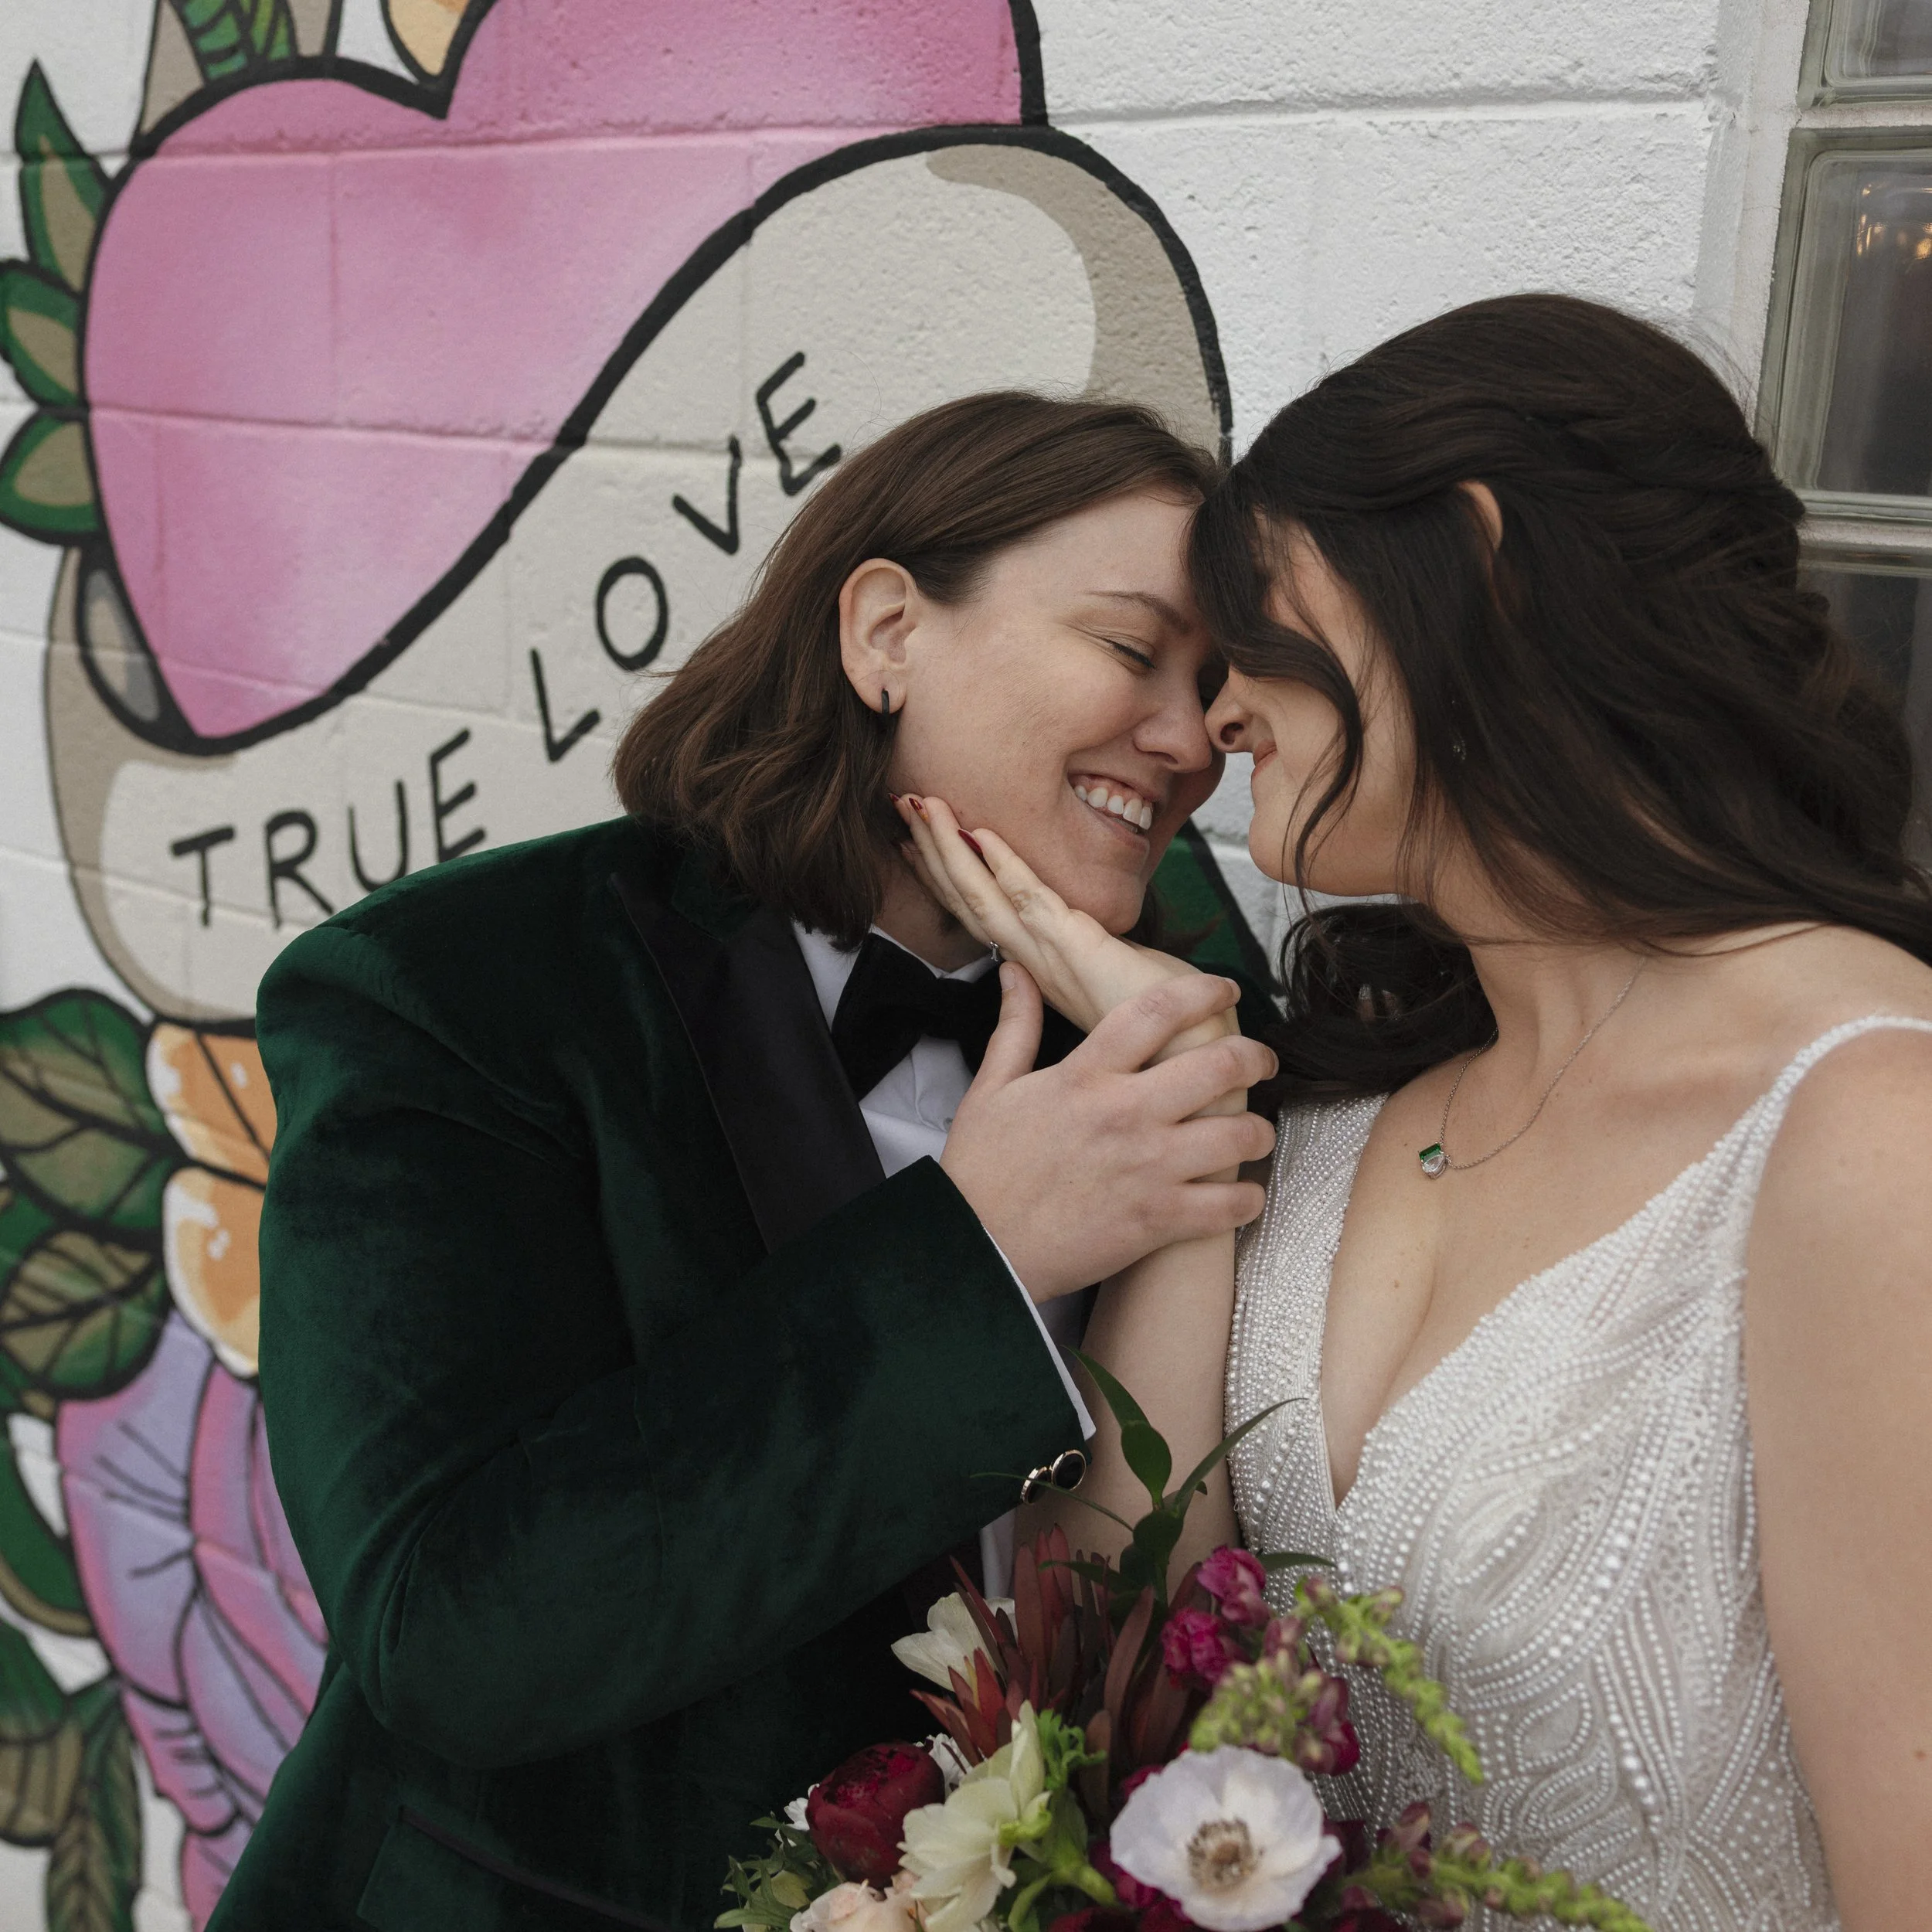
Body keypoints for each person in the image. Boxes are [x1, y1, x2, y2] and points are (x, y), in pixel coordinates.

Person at [901, 297, 1932, 1932]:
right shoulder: (1343, 1102)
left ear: (1475, 559)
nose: (1213, 713)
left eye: (1249, 620)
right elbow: (1087, 1684)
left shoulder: (1871, 1127)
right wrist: (1182, 1070)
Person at [209, 393, 1281, 1932]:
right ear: (885, 631)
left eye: (1211, 686)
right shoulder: (454, 992)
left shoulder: (1174, 1034)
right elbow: (449, 1626)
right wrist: (974, 1252)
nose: (1187, 743)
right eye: (1129, 649)